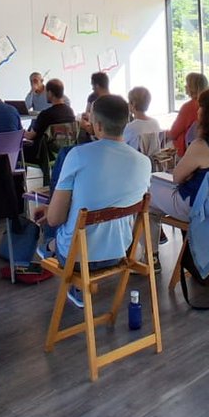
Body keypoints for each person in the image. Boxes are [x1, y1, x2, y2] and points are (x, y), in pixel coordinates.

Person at [33, 95, 151, 307]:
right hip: (122, 251)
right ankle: (51, 246)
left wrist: (51, 211)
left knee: (55, 225)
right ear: (126, 121)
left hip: (79, 257)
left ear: (96, 125)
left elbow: (54, 219)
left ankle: (49, 245)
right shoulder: (144, 163)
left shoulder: (77, 155)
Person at [150, 88, 209, 221]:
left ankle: (150, 239)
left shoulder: (201, 146)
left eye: (201, 107)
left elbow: (177, 177)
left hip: (193, 205)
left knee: (145, 191)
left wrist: (190, 175)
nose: (198, 110)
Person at [23, 78, 76, 165]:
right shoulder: (70, 111)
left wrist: (20, 131)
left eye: (46, 92)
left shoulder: (45, 115)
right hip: (63, 152)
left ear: (50, 93)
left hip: (43, 155)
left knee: (17, 152)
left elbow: (30, 136)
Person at [168, 72, 208, 157]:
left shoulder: (189, 107)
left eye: (187, 84)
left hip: (186, 150)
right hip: (208, 148)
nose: (185, 86)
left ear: (192, 88)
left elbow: (173, 133)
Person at [122, 86, 161, 151]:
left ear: (133, 104)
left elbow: (121, 145)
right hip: (154, 159)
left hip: (135, 159)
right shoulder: (155, 123)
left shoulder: (131, 127)